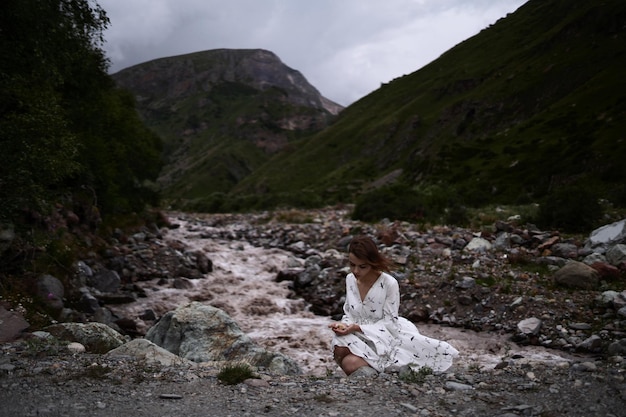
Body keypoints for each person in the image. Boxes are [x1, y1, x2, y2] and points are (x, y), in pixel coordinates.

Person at [329, 235, 459, 376]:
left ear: (373, 263)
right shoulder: (350, 279)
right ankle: (370, 366)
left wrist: (357, 328)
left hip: (382, 335)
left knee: (350, 363)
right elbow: (349, 313)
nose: (356, 271)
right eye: (352, 265)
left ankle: (380, 369)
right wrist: (343, 325)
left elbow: (389, 324)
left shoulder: (389, 283)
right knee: (339, 350)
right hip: (355, 333)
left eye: (362, 266)